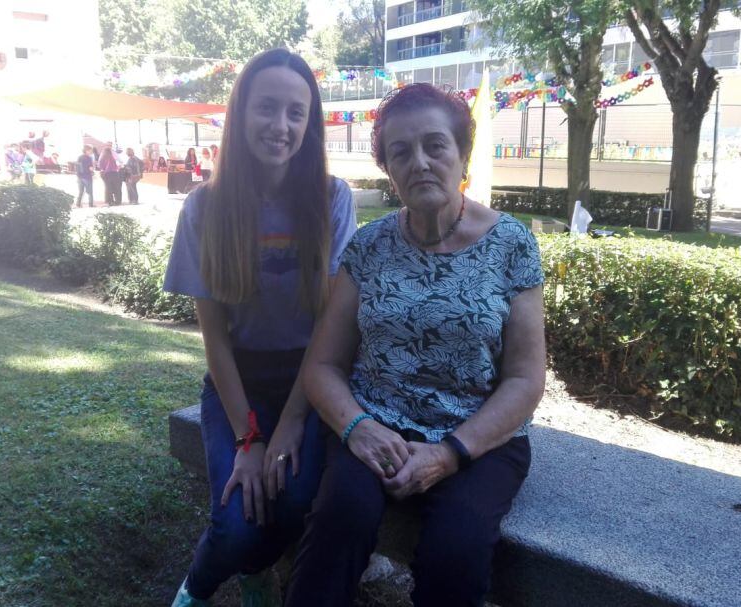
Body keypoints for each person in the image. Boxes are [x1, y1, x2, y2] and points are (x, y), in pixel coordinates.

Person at [285, 83, 547, 607]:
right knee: (340, 518)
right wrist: (357, 427)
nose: (420, 162)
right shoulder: (370, 245)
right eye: (401, 152)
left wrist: (449, 453)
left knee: (457, 549)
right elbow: (322, 365)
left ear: (461, 155)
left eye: (435, 145)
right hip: (374, 422)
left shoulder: (512, 244)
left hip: (476, 438)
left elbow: (525, 378)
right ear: (388, 169)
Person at [163, 48, 356, 607]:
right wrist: (249, 435)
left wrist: (295, 421)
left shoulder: (331, 198)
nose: (281, 126)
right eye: (267, 108)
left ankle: (255, 569)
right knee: (238, 519)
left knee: (293, 502)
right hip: (237, 386)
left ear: (310, 122)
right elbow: (215, 338)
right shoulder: (204, 208)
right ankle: (202, 587)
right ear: (241, 113)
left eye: (297, 112)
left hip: (311, 379)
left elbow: (328, 328)